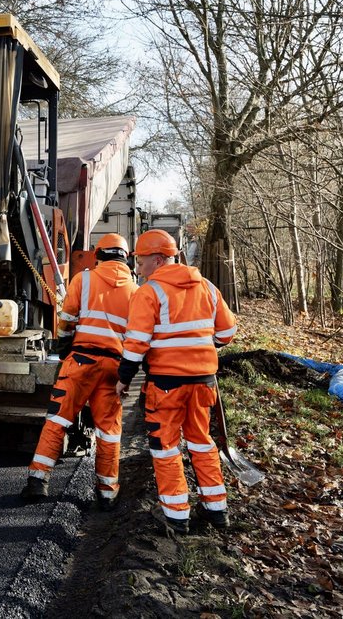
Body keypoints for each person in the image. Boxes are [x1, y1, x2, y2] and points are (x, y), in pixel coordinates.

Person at [114, 229, 237, 537]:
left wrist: (123, 378)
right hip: (203, 382)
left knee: (165, 447)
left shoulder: (149, 292)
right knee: (201, 441)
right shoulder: (207, 287)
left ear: (157, 260)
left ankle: (176, 516)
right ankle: (217, 510)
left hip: (167, 384)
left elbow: (136, 343)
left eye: (141, 263)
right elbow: (226, 333)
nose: (138, 269)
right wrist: (199, 351)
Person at [20, 234, 138, 508]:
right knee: (108, 431)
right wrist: (127, 373)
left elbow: (67, 319)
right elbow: (137, 336)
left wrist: (63, 345)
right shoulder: (136, 291)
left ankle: (38, 481)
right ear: (126, 257)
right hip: (113, 368)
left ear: (98, 254)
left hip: (81, 362)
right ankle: (107, 493)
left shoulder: (84, 280)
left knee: (58, 420)